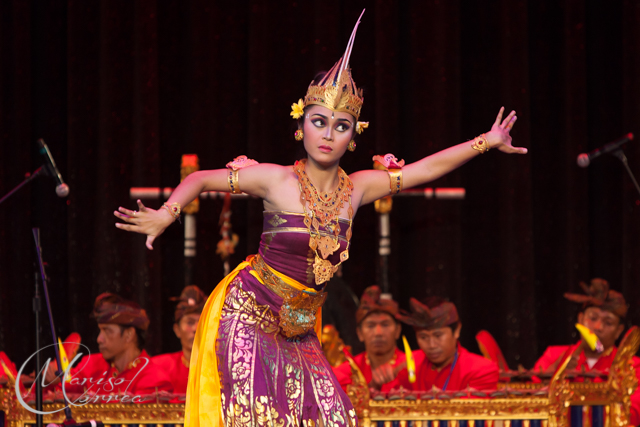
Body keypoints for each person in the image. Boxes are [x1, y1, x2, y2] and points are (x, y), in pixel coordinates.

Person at [114, 11, 525, 427]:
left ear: (353, 135)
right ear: (302, 128)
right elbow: (201, 179)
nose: (328, 134)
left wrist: (486, 142)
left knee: (333, 417)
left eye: (341, 126)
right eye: (319, 122)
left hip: (300, 327)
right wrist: (165, 215)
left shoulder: (359, 187)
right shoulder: (276, 180)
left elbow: (424, 170)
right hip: (250, 312)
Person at [533, 278, 640, 425]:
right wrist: (554, 373)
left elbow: (633, 412)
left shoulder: (632, 366)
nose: (598, 327)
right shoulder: (554, 355)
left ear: (618, 331)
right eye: (593, 318)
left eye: (608, 322)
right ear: (580, 319)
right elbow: (531, 402)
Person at [45, 293, 173, 401]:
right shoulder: (91, 366)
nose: (99, 339)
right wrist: (49, 379)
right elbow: (53, 394)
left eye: (107, 331)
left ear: (129, 335)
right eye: (100, 331)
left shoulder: (154, 380)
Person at [397, 297, 499, 391]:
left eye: (438, 335)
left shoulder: (481, 370)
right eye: (423, 337)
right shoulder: (404, 364)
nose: (431, 345)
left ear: (457, 330)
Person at [333, 286, 406, 392]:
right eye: (371, 326)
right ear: (360, 333)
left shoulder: (411, 365)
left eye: (385, 325)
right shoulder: (348, 371)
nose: (378, 333)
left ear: (398, 330)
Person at [153, 285, 206, 395]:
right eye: (190, 323)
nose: (196, 329)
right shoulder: (159, 367)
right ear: (177, 330)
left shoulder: (222, 369)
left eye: (202, 323)